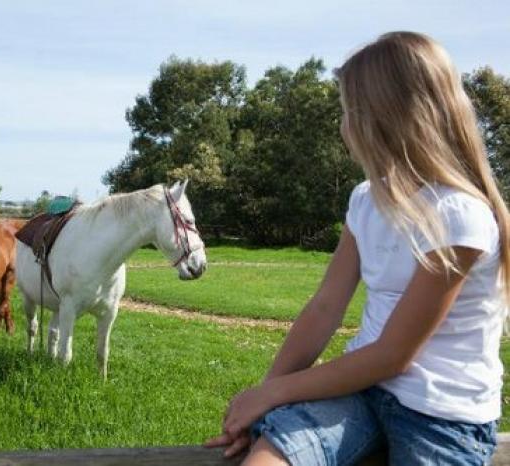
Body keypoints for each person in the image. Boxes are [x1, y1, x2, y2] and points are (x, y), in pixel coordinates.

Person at [206, 31, 509, 465]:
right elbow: (325, 308)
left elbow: (393, 355)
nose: (342, 125)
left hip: (442, 419)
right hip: (359, 395)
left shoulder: (458, 215)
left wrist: (274, 392)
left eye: (348, 111)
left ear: (383, 118)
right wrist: (261, 401)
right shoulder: (366, 200)